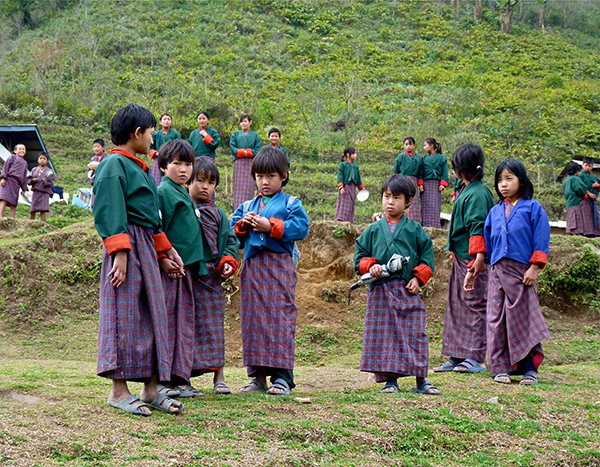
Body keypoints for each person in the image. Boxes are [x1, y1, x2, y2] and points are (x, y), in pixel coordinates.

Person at [93, 103, 184, 416]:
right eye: (150, 131)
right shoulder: (112, 165)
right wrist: (119, 253)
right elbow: (108, 209)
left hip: (146, 246)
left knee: (152, 314)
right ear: (136, 133)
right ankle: (118, 391)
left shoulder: (142, 168)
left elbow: (151, 218)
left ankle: (151, 388)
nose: (153, 137)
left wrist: (166, 251)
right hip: (126, 248)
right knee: (124, 312)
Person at [231, 147, 309, 396]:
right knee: (254, 321)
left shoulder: (291, 203)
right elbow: (233, 234)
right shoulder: (246, 205)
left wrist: (271, 226)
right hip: (253, 270)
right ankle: (257, 378)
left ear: (284, 176)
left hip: (279, 268)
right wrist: (242, 226)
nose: (265, 182)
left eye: (271, 176)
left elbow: (301, 227)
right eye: (260, 176)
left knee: (280, 318)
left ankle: (282, 378)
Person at [467, 159, 551, 385]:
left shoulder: (534, 208)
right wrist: (478, 261)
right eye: (499, 180)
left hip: (522, 273)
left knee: (521, 318)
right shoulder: (494, 211)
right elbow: (484, 239)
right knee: (496, 319)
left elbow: (541, 239)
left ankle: (528, 369)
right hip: (496, 272)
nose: (503, 184)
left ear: (521, 181)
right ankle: (500, 368)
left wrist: (534, 268)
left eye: (509, 179)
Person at [354, 174, 439, 395]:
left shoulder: (415, 230)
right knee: (386, 336)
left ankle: (422, 380)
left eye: (397, 197)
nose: (390, 202)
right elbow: (359, 257)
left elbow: (427, 258)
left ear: (408, 201)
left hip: (407, 291)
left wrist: (418, 279)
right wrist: (371, 265)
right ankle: (390, 381)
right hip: (381, 291)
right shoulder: (373, 230)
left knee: (416, 332)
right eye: (386, 196)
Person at [156, 139, 212, 398]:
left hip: (186, 269)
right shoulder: (164, 192)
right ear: (164, 166)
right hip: (172, 271)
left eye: (188, 164)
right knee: (172, 323)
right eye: (176, 163)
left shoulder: (181, 192)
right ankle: (168, 380)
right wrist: (163, 258)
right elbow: (158, 228)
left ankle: (180, 378)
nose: (183, 169)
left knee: (183, 322)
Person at [435, 144, 494, 374]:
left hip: (473, 261)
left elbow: (477, 227)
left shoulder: (478, 194)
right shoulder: (468, 189)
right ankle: (457, 355)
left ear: (459, 170)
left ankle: (476, 357)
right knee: (458, 305)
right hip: (462, 258)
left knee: (475, 305)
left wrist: (479, 258)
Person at [188, 157, 240, 395]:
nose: (205, 186)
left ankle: (219, 377)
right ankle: (182, 378)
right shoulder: (183, 209)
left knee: (214, 327)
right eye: (200, 180)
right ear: (188, 180)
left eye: (211, 182)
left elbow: (230, 241)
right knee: (186, 327)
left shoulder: (219, 214)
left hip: (211, 278)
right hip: (186, 277)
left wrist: (227, 262)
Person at [230, 114, 262, 211]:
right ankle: (237, 210)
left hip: (251, 163)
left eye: (245, 121)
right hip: (239, 162)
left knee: (249, 186)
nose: (243, 123)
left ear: (250, 122)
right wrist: (241, 152)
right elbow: (232, 147)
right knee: (238, 187)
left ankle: (249, 209)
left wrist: (246, 152)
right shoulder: (235, 134)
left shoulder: (255, 135)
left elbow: (257, 148)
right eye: (242, 122)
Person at [420, 138, 449, 228]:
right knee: (425, 205)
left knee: (435, 205)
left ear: (432, 146)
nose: (424, 147)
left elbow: (445, 172)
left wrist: (443, 184)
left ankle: (435, 226)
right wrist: (420, 184)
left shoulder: (441, 158)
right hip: (426, 184)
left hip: (436, 185)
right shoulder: (423, 159)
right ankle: (425, 225)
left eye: (425, 145)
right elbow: (420, 172)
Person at [393, 137, 422, 224]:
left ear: (414, 145)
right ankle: (402, 220)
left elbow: (420, 172)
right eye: (406, 144)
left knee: (414, 201)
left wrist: (421, 184)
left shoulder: (417, 158)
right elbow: (396, 171)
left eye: (410, 144)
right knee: (403, 199)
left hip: (414, 181)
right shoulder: (400, 157)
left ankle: (415, 222)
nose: (408, 146)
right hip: (403, 180)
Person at [149, 113, 182, 186]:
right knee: (156, 181)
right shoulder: (155, 134)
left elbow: (180, 147)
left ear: (171, 122)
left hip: (171, 160)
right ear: (160, 122)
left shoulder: (175, 135)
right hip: (158, 159)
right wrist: (155, 153)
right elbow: (150, 147)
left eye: (169, 119)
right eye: (164, 119)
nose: (167, 121)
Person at [334, 147, 365, 224]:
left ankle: (349, 221)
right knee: (343, 204)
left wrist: (362, 188)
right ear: (348, 155)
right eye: (354, 153)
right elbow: (340, 177)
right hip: (345, 188)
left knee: (351, 204)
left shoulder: (356, 166)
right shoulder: (343, 165)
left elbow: (358, 179)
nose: (356, 155)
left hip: (353, 188)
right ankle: (340, 220)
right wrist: (341, 187)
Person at [0, 143, 29, 218]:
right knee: (4, 199)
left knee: (13, 203)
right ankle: (0, 216)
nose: (22, 150)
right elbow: (5, 167)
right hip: (9, 180)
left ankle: (12, 219)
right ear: (15, 151)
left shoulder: (25, 163)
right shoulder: (12, 157)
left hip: (17, 184)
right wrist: (3, 178)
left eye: (23, 149)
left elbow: (24, 176)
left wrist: (24, 188)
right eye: (20, 149)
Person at [28, 152, 55, 222]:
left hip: (44, 192)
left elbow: (51, 182)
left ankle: (43, 225)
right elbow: (28, 179)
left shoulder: (49, 171)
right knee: (33, 209)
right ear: (38, 160)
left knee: (43, 210)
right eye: (41, 158)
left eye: (44, 158)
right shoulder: (34, 170)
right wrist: (34, 180)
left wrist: (42, 179)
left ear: (47, 161)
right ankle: (30, 223)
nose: (42, 160)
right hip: (36, 192)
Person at [563, 162, 588, 236]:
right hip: (576, 201)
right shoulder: (576, 179)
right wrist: (582, 195)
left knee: (571, 218)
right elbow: (581, 189)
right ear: (577, 171)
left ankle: (570, 232)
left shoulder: (566, 181)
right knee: (577, 219)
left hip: (569, 202)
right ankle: (577, 233)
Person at [578, 157, 600, 237]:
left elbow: (599, 184)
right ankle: (587, 233)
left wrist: (597, 186)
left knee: (595, 215)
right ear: (583, 165)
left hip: (593, 200)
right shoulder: (580, 175)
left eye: (590, 166)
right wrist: (589, 193)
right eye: (586, 165)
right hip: (584, 199)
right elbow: (579, 186)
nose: (587, 167)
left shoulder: (594, 177)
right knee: (585, 215)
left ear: (592, 167)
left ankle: (597, 233)